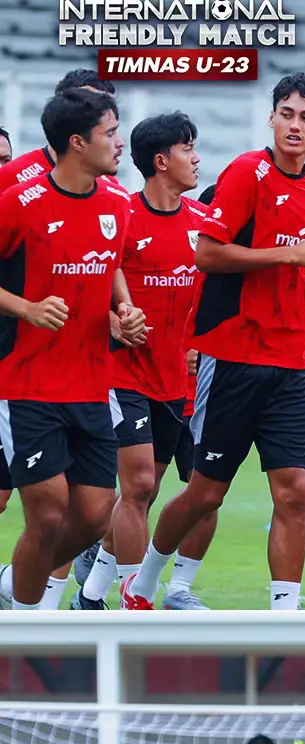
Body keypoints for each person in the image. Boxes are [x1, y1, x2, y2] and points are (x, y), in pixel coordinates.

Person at [122, 73, 305, 610]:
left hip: (290, 360)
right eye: (287, 113)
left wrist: (304, 284)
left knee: (296, 490)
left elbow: (276, 259)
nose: (294, 124)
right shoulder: (246, 172)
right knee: (205, 492)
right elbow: (209, 255)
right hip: (233, 356)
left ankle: (284, 614)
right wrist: (289, 258)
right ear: (272, 118)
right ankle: (142, 582)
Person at [0, 87, 146, 609]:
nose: (119, 141)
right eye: (110, 132)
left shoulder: (116, 205)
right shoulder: (19, 202)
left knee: (92, 513)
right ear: (77, 142)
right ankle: (26, 624)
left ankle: (15, 581)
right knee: (47, 511)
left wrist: (123, 312)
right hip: (27, 383)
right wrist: (27, 309)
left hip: (90, 385)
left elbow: (110, 268)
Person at [73, 111, 204, 609]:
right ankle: (136, 602)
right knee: (141, 484)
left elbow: (209, 296)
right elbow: (87, 285)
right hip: (121, 375)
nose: (196, 158)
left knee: (141, 497)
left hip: (175, 380)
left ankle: (89, 595)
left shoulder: (199, 226)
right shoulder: (121, 217)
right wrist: (114, 323)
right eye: (187, 149)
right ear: (160, 160)